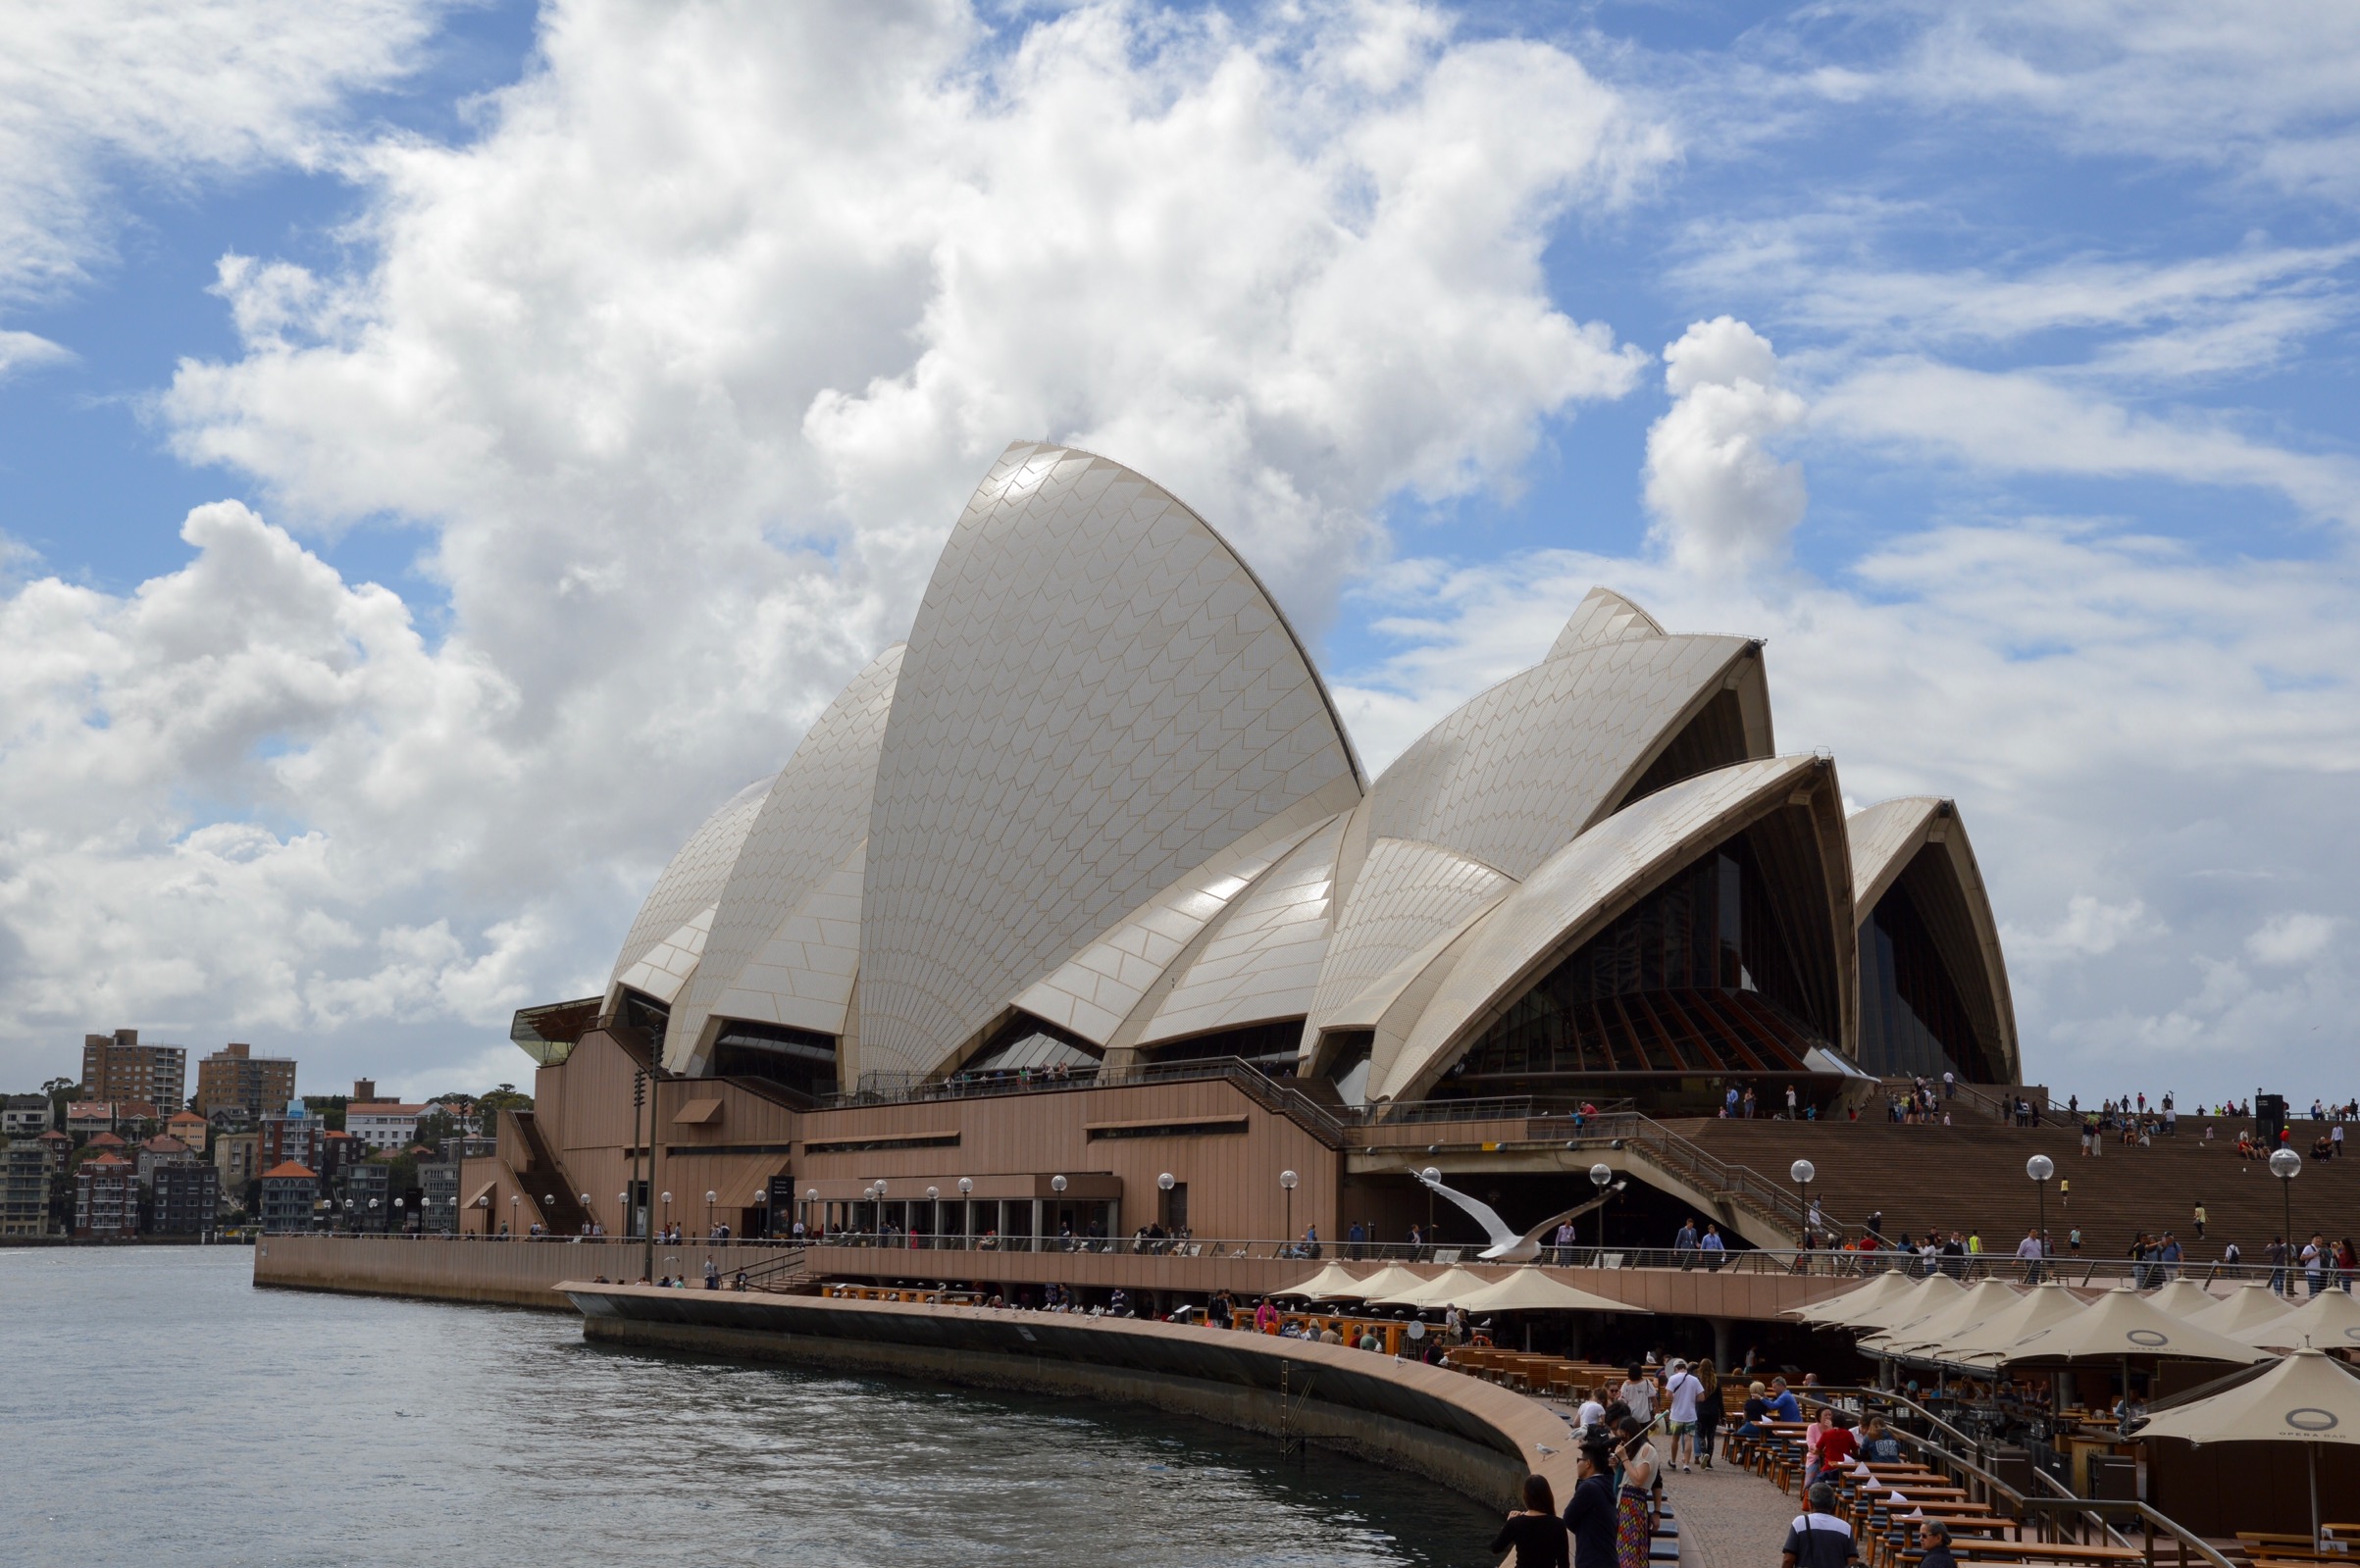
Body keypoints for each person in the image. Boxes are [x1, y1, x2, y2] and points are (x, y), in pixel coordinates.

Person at [1492, 1474, 1570, 1568]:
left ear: (1526, 1496)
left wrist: (1507, 1524)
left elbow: (1495, 1548)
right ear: (1547, 1495)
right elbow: (1564, 1564)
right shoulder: (1558, 1524)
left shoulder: (1515, 1523)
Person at [1612, 1416, 1660, 1568]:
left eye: (1624, 1437)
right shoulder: (1636, 1450)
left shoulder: (1647, 1450)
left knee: (1629, 1551)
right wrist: (1616, 1466)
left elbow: (1638, 1480)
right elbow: (1628, 1479)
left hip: (1633, 1505)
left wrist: (1624, 1459)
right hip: (1626, 1503)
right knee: (1624, 1550)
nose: (1622, 1441)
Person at [1565, 1439, 1618, 1568]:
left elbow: (1567, 1518)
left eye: (1579, 1460)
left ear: (1588, 1463)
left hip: (1591, 1559)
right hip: (1609, 1558)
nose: (1577, 1464)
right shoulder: (1610, 1483)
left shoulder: (1588, 1488)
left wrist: (1582, 1528)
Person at [1780, 1484, 1858, 1568]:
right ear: (1833, 1504)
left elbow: (1788, 1559)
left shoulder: (1800, 1522)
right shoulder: (1845, 1527)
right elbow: (1852, 1562)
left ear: (1810, 1503)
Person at [1664, 1358, 1704, 1472]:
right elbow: (1701, 1397)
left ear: (1676, 1368)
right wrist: (1691, 1398)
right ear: (1685, 1368)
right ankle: (1686, 1464)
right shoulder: (1694, 1379)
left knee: (1675, 1439)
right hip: (1690, 1415)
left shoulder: (1672, 1378)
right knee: (1688, 1440)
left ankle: (1673, 1461)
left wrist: (1676, 1396)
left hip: (1676, 1415)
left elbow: (1668, 1395)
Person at [1694, 1360, 1724, 1470]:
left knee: (1700, 1434)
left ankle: (1703, 1452)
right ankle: (1709, 1462)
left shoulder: (1697, 1380)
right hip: (1713, 1412)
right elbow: (1720, 1400)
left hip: (1700, 1411)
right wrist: (1723, 1415)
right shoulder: (1716, 1382)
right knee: (1711, 1436)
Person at [1616, 1363, 1656, 1428]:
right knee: (1644, 1434)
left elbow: (1622, 1400)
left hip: (1631, 1414)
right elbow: (1653, 1398)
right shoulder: (1646, 1382)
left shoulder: (1626, 1384)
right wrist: (1657, 1411)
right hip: (1645, 1415)